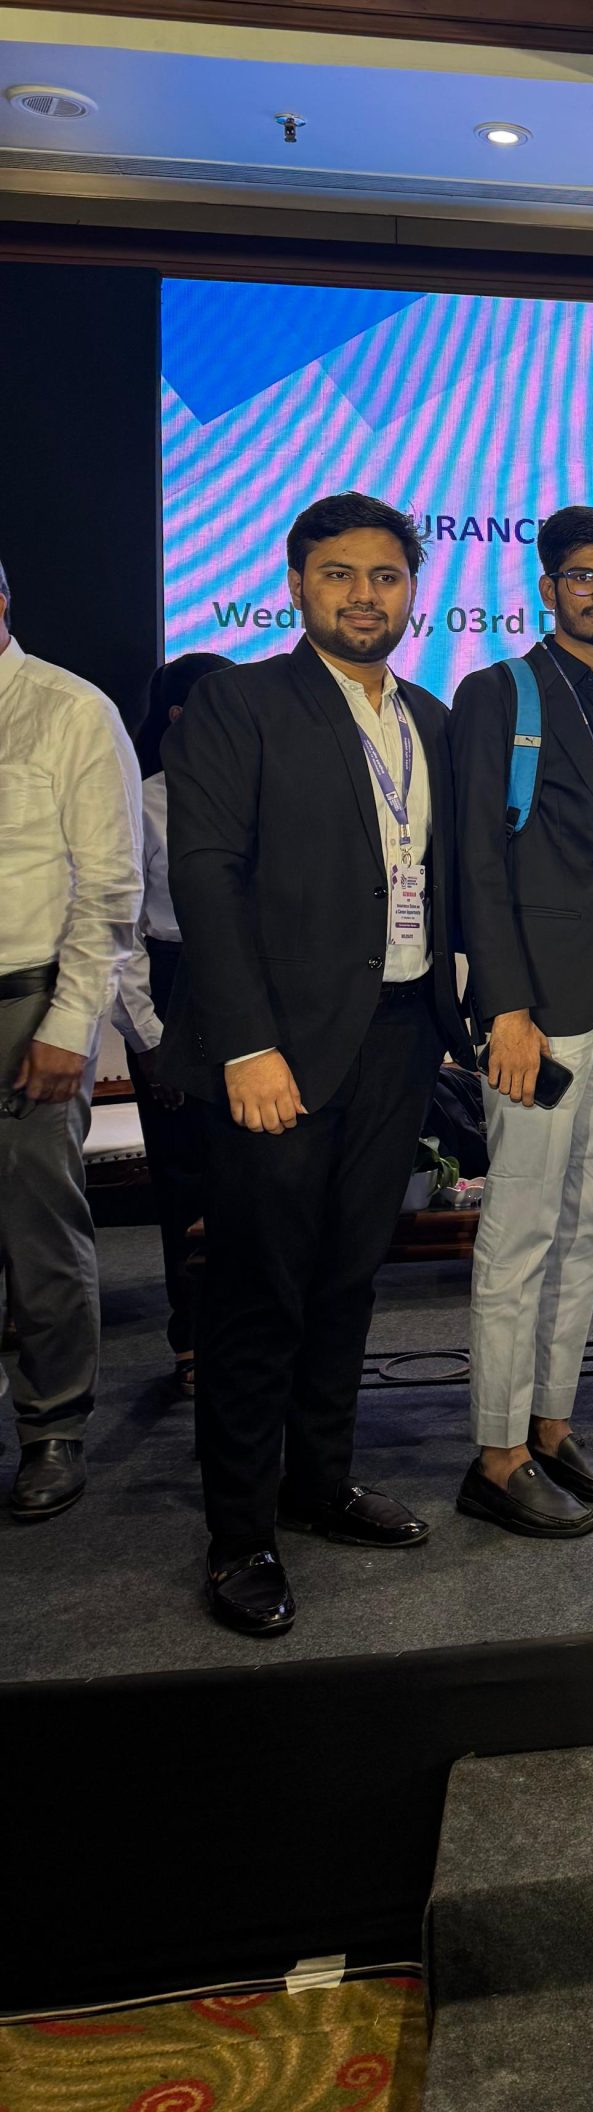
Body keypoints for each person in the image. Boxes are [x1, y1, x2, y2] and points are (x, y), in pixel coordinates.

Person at [160, 493, 473, 1634]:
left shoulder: (431, 717)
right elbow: (205, 875)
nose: (364, 596)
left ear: (412, 591)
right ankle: (240, 1535)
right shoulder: (240, 703)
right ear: (296, 585)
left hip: (400, 1037)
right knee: (259, 1293)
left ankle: (320, 1481)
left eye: (386, 576)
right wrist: (248, 1045)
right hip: (278, 1050)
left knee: (347, 1278)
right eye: (339, 574)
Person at [450, 507, 593, 1539]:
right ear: (547, 588)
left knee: (587, 1224)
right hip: (536, 1008)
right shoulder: (498, 692)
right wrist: (503, 1006)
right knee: (521, 1229)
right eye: (584, 576)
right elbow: (476, 861)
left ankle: (549, 1428)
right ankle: (494, 1456)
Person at [0, 556, 144, 1521]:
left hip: (27, 1000)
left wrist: (69, 1023)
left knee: (37, 1229)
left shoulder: (69, 708)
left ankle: (52, 1425)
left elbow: (110, 887)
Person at [114, 650, 236, 1397]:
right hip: (169, 985)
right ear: (181, 716)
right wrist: (149, 1039)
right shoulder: (141, 800)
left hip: (247, 980)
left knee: (252, 1171)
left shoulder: (256, 789)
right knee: (184, 1173)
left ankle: (250, 1334)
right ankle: (191, 1339)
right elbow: (122, 929)